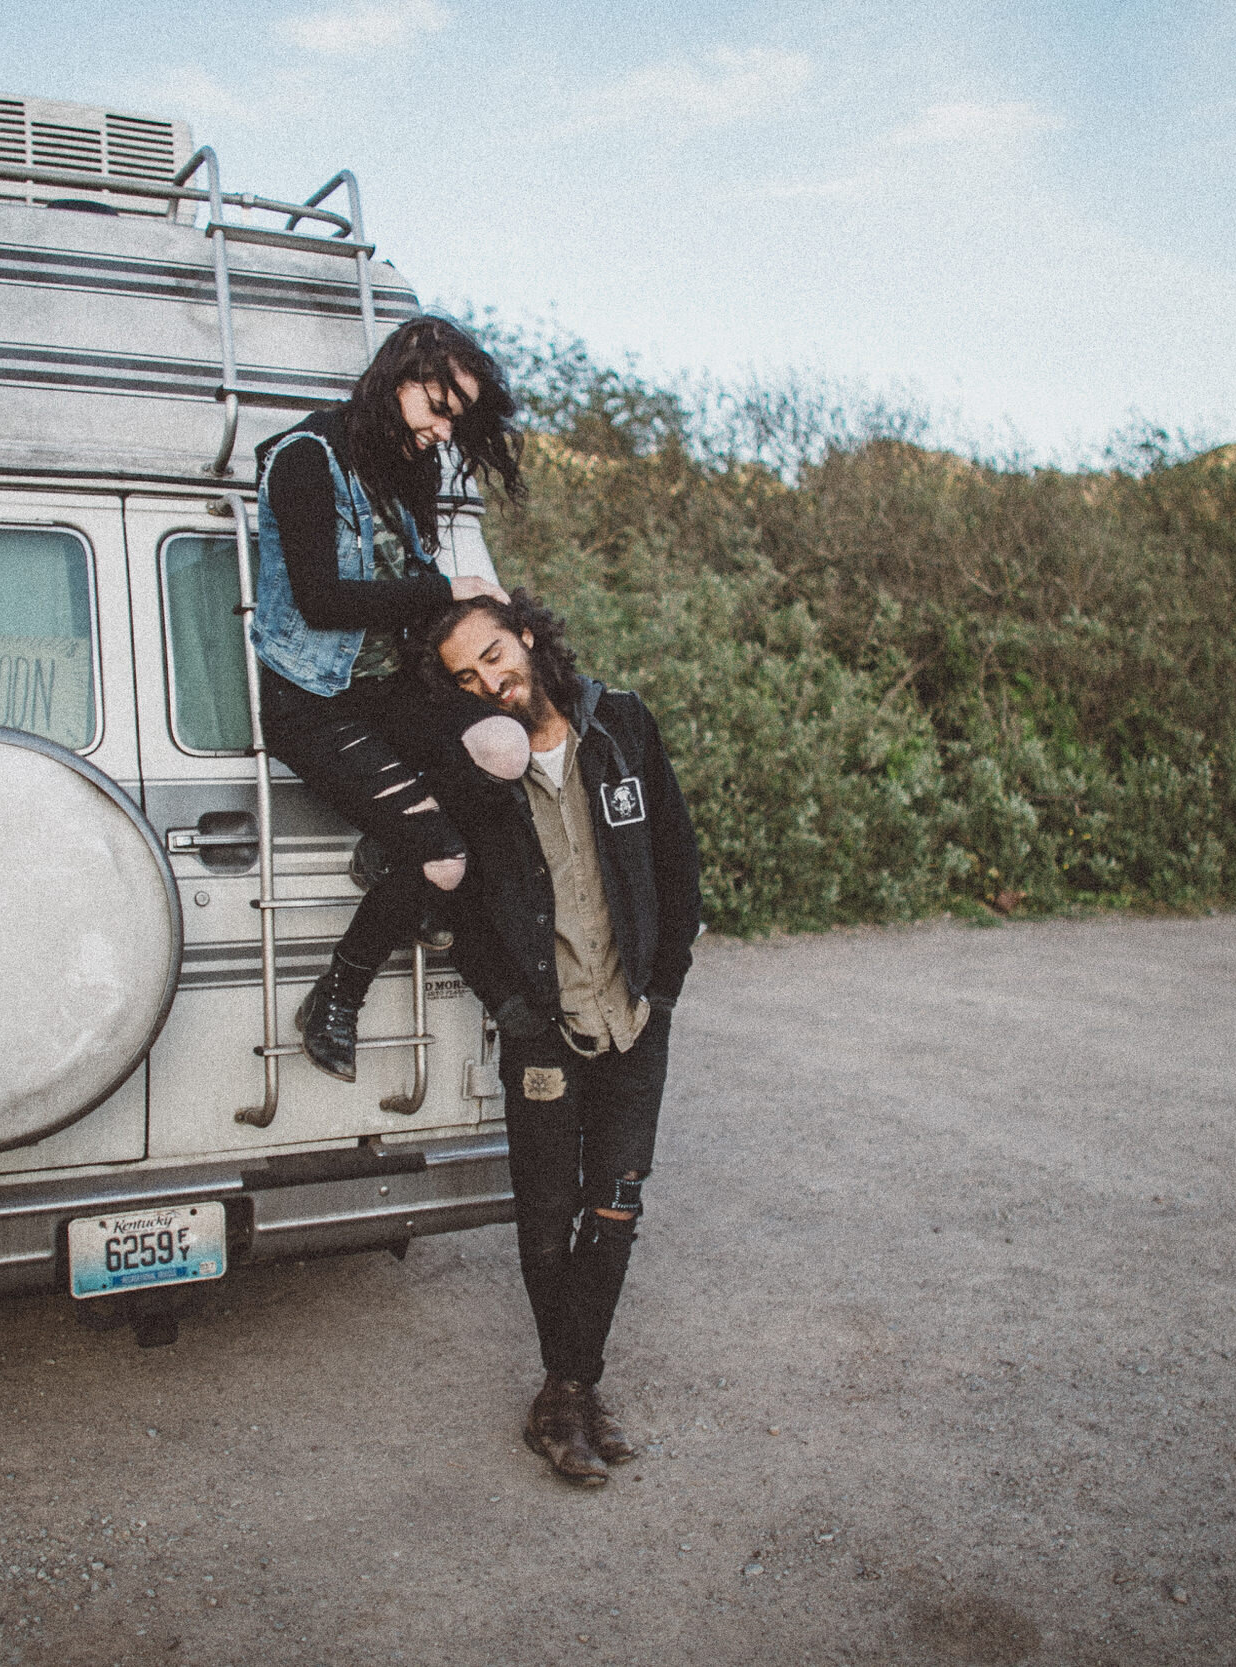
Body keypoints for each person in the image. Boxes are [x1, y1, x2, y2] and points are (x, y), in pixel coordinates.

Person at [414, 590, 703, 1487]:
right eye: (466, 676)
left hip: (633, 1023)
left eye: (495, 656)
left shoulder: (619, 726)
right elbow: (454, 906)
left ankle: (568, 1391)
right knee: (547, 1222)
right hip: (545, 1030)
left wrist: (664, 983)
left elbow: (677, 858)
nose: (489, 682)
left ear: (529, 637)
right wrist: (512, 1005)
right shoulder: (473, 769)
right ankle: (570, 1394)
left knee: (614, 1208)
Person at [250, 316, 532, 1081]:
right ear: (398, 377)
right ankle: (338, 994)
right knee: (442, 862)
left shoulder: (399, 470)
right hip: (311, 699)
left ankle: (392, 846)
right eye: (439, 408)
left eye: (456, 420)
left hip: (386, 689)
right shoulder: (302, 459)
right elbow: (322, 600)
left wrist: (491, 618)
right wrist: (445, 586)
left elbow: (411, 600)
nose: (445, 432)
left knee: (510, 746)